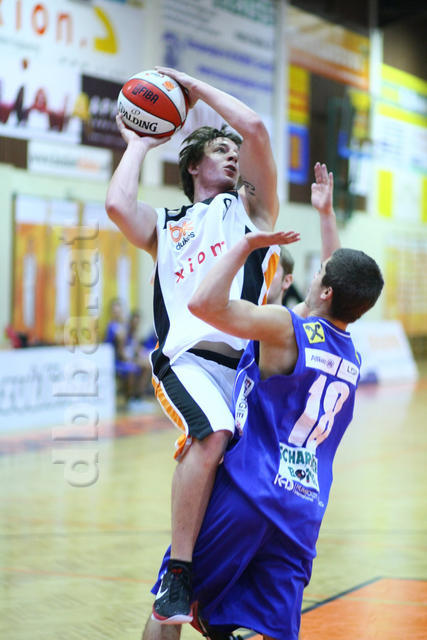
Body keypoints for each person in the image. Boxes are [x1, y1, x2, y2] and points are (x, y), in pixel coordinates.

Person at [143, 164, 384, 640]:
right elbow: (338, 286)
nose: (313, 275)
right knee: (268, 628)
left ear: (325, 289)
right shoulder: (350, 354)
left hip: (250, 493)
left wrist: (244, 246)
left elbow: (203, 305)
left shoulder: (284, 328)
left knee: (171, 604)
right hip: (303, 510)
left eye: (319, 272)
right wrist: (326, 214)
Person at [105, 66, 282, 622]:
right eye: (219, 150)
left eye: (234, 153)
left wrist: (194, 88)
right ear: (192, 165)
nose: (232, 156)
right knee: (211, 436)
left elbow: (255, 128)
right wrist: (137, 143)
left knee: (244, 493)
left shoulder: (251, 211)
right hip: (187, 361)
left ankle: (213, 604)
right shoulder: (165, 224)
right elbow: (118, 207)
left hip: (246, 371)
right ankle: (178, 575)